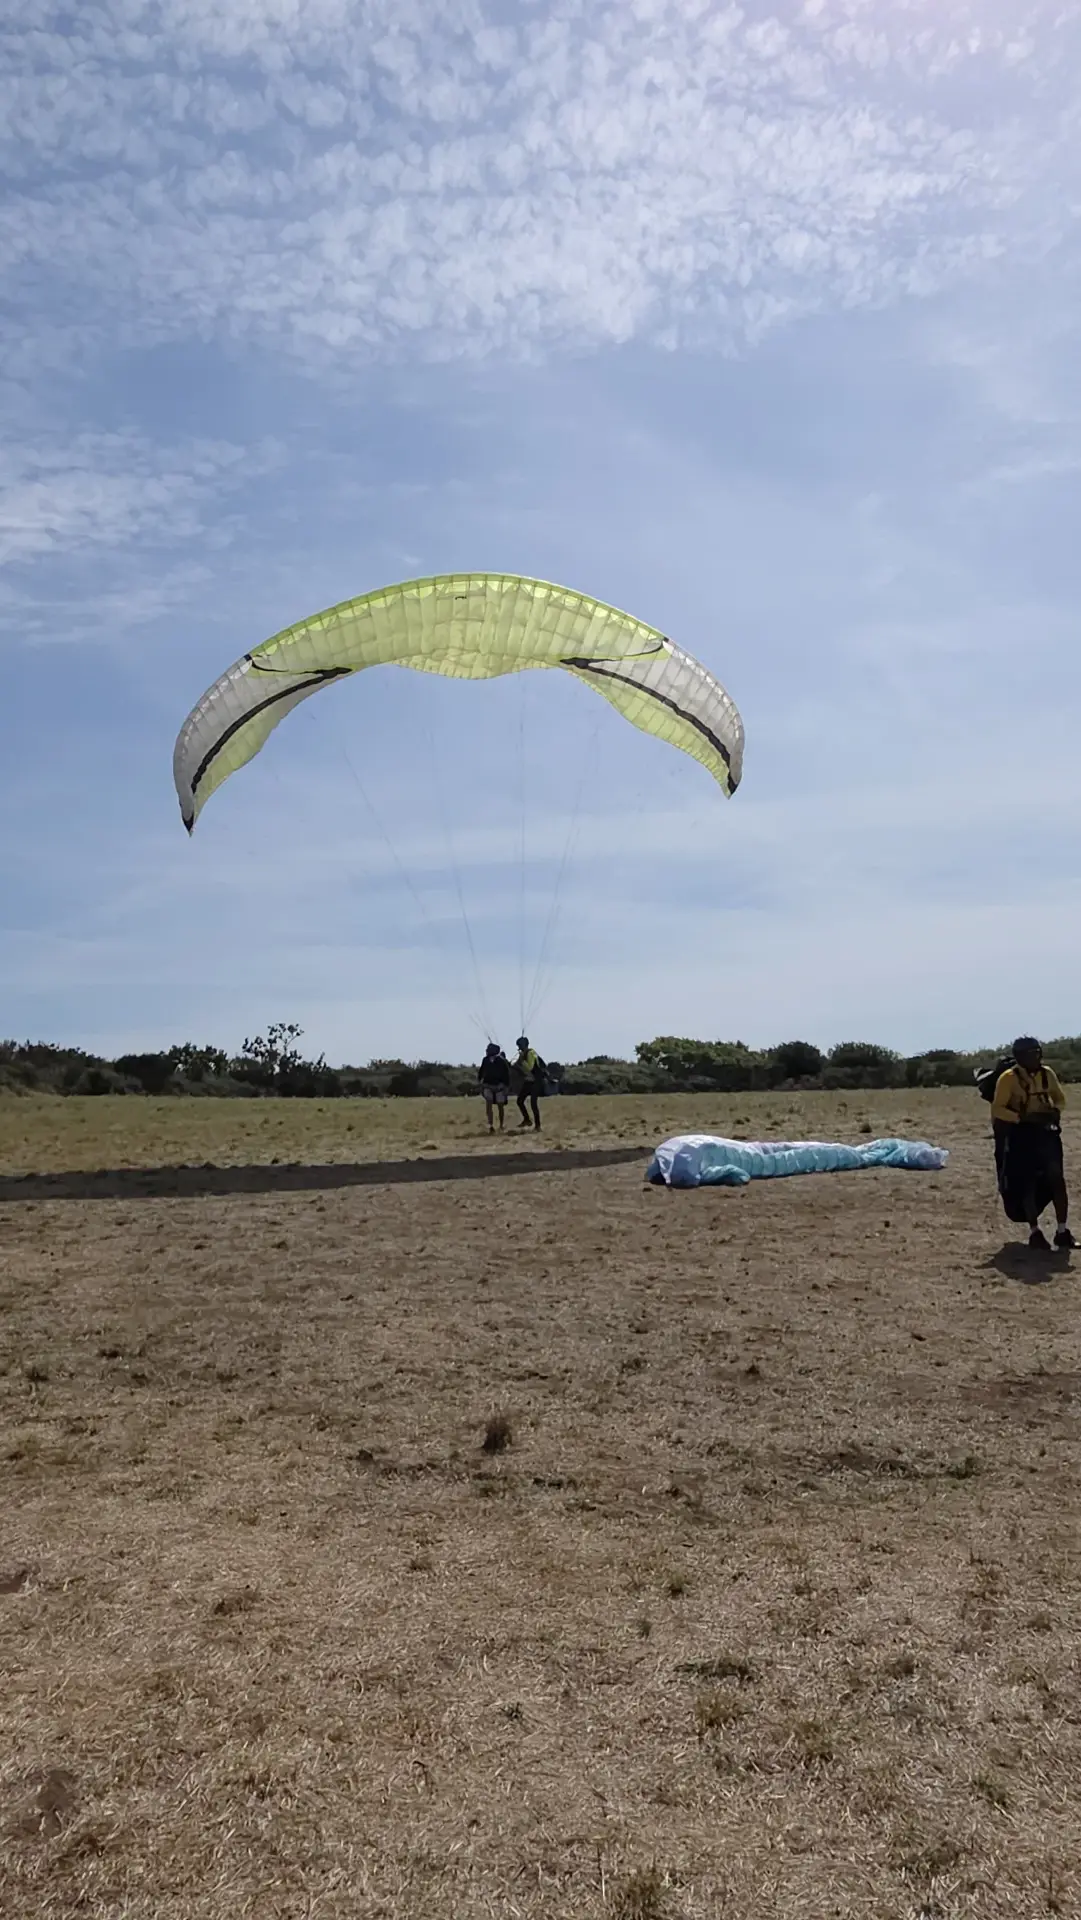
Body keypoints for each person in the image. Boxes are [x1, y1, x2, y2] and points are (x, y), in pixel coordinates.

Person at [992, 1037, 1075, 1250]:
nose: (1034, 1057)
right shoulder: (1008, 1079)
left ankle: (1062, 1231)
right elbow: (998, 1108)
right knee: (1027, 1182)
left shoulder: (1048, 1074)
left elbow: (1060, 1098)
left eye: (1036, 1052)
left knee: (1057, 1179)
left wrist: (1054, 1111)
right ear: (1019, 1057)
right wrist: (1021, 1118)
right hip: (1022, 1134)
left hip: (1046, 1133)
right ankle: (1035, 1232)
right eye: (1029, 1054)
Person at [513, 1034, 545, 1131]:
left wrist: (522, 1061)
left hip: (536, 1081)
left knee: (533, 1103)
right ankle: (527, 1119)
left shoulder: (531, 1053)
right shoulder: (523, 1054)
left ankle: (538, 1126)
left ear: (524, 1045)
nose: (518, 1048)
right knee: (520, 1100)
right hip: (529, 1080)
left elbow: (530, 1067)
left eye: (519, 1046)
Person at [477, 1043, 510, 1133]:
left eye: (488, 1049)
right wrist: (480, 1083)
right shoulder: (485, 1060)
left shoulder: (501, 1061)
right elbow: (481, 1072)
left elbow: (506, 1074)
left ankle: (501, 1124)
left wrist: (505, 1086)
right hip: (488, 1085)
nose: (486, 1050)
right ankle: (491, 1125)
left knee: (500, 1105)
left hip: (499, 1086)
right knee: (489, 1103)